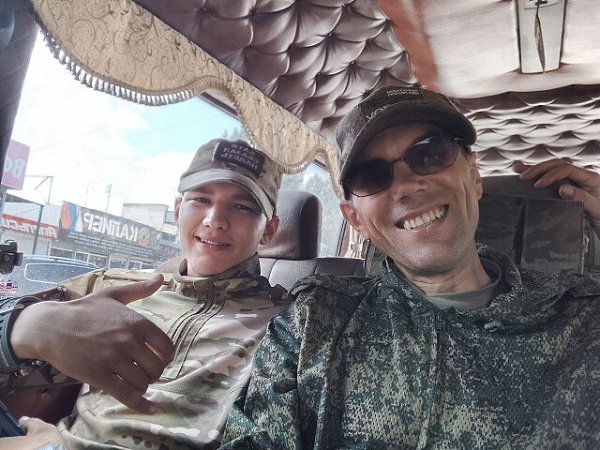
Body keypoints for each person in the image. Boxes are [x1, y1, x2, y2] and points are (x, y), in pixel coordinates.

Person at [220, 86, 600, 449]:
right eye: (372, 176)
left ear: (474, 176)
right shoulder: (312, 323)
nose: (406, 186)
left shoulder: (581, 317)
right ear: (355, 219)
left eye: (430, 153)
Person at [0, 138, 291, 449]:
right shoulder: (114, 288)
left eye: (242, 206)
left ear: (269, 230)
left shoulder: (288, 326)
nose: (214, 220)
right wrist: (28, 325)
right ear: (177, 210)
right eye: (201, 199)